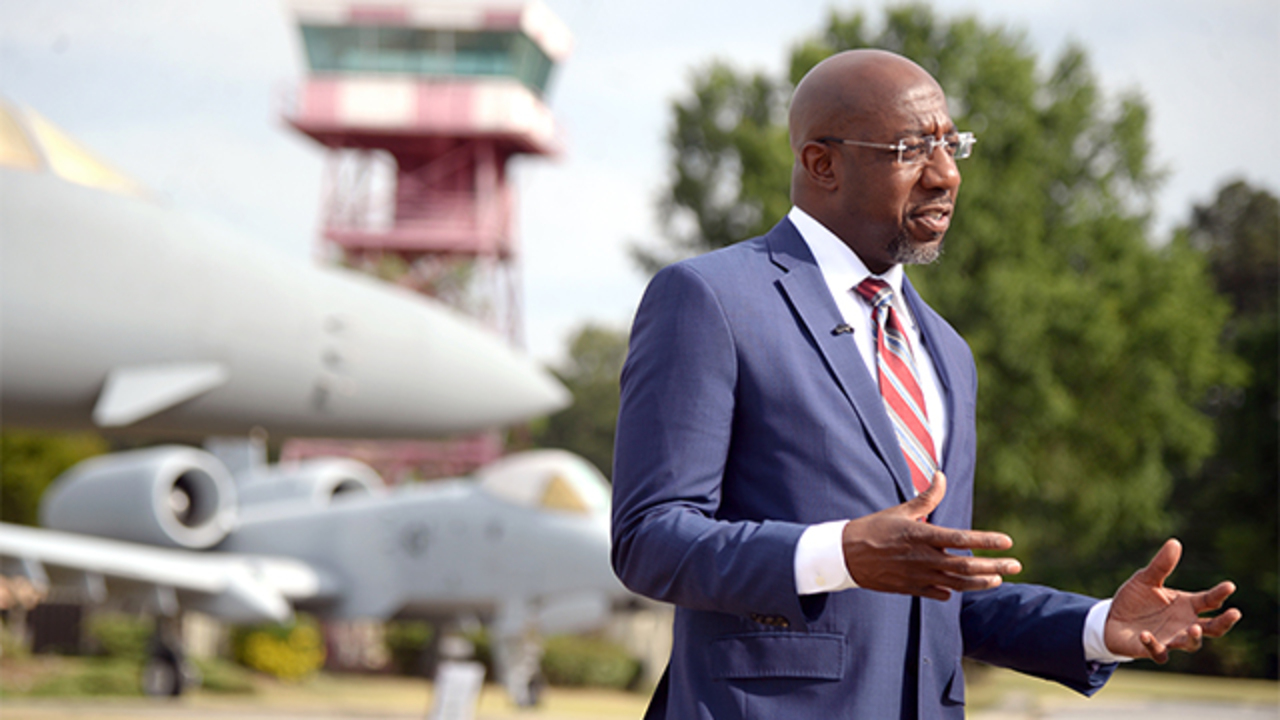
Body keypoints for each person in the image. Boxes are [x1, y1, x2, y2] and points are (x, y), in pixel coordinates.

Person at [610, 49, 1240, 719]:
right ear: (822, 163)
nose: (946, 176)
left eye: (951, 145)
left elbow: (939, 585)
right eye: (911, 150)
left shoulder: (946, 350)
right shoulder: (710, 299)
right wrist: (838, 553)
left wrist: (1096, 629)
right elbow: (651, 538)